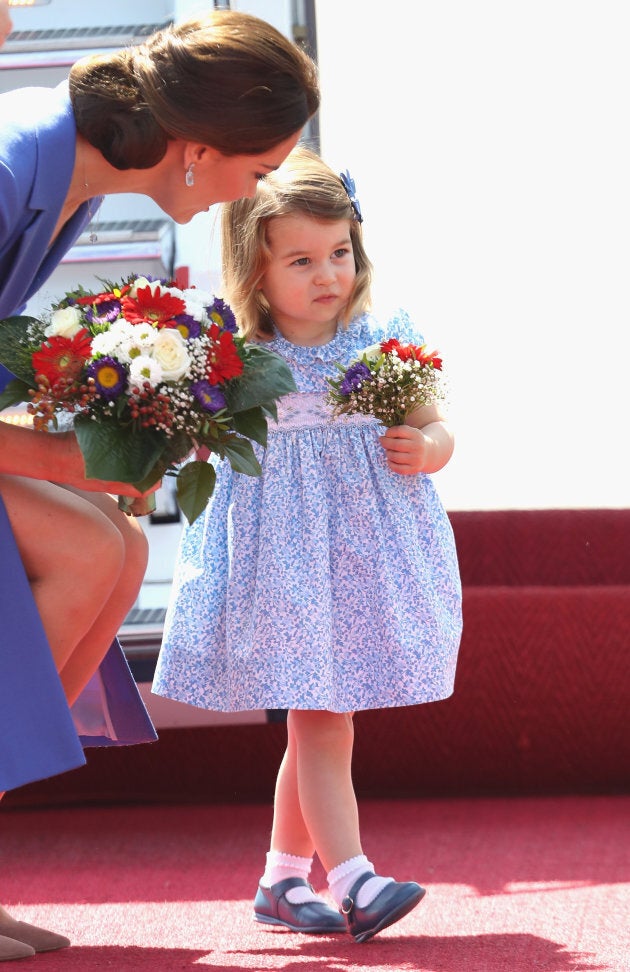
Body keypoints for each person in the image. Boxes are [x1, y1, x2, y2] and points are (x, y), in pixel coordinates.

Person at [0, 10, 319, 962]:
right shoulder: (19, 160)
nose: (248, 196)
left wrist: (96, 433)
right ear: (194, 150)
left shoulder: (72, 172)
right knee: (91, 539)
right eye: (256, 175)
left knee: (122, 540)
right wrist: (64, 458)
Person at [153, 146, 462, 943]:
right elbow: (191, 436)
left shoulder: (381, 337)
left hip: (360, 560)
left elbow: (435, 423)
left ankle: (284, 880)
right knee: (321, 715)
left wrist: (427, 449)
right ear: (255, 273)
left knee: (320, 714)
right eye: (302, 260)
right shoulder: (238, 359)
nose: (329, 275)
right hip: (283, 565)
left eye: (339, 253)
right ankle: (355, 879)